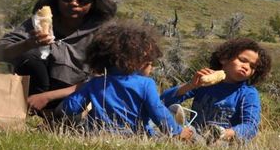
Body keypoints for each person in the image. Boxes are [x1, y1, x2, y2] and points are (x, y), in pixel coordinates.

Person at [0, 0, 116, 113]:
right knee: (30, 55)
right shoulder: (38, 23)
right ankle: (25, 110)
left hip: (75, 95)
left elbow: (102, 79)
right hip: (31, 92)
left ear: (93, 3)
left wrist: (47, 97)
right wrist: (27, 44)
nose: (74, 3)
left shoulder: (102, 33)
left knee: (67, 115)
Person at [57, 22, 193, 139]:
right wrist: (178, 132)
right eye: (150, 63)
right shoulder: (145, 84)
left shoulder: (96, 83)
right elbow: (158, 113)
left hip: (96, 135)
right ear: (138, 61)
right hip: (134, 135)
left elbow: (70, 108)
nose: (151, 68)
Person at [161, 38, 271, 143]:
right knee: (171, 110)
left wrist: (224, 133)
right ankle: (180, 126)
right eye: (242, 60)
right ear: (224, 58)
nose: (246, 67)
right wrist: (191, 85)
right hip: (196, 136)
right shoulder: (205, 83)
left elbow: (251, 126)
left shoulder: (248, 93)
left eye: (252, 66)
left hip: (224, 144)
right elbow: (162, 101)